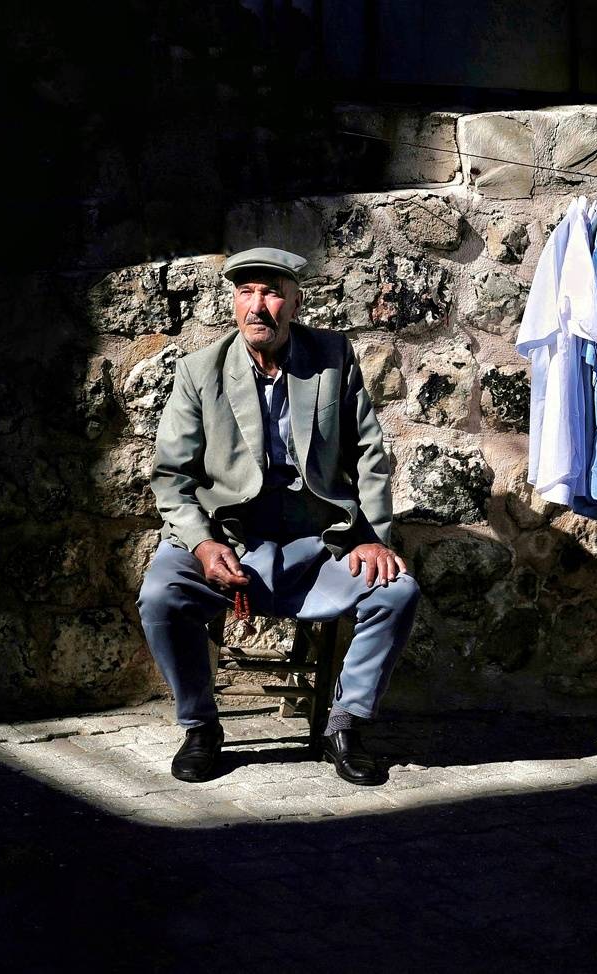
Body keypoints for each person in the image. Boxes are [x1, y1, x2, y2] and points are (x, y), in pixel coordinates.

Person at [136, 246, 419, 786]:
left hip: (317, 544)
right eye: (246, 292)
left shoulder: (333, 357)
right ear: (234, 302)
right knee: (159, 595)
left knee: (396, 591)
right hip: (228, 542)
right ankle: (200, 727)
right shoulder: (199, 371)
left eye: (271, 293)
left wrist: (371, 537)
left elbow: (368, 456)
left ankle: (345, 725)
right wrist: (201, 543)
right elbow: (172, 478)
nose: (257, 306)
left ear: (295, 301)